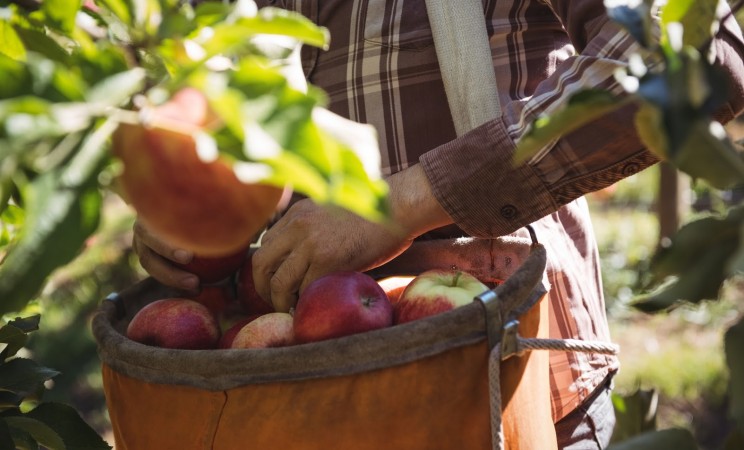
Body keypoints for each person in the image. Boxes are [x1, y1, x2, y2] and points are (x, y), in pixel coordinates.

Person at [133, 0, 744, 447]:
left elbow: (692, 63)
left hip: (509, 388)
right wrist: (188, 205)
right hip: (294, 405)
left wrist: (402, 204)